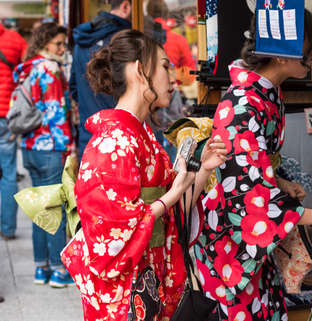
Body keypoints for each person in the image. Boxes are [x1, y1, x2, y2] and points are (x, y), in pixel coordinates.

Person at [193, 11, 312, 321]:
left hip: (249, 246)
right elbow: (248, 196)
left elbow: (250, 167)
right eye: (308, 49)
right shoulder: (242, 104)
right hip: (231, 251)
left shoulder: (264, 93)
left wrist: (277, 181)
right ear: (282, 56)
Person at [61, 29, 227, 321]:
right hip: (126, 294)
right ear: (140, 70)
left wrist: (202, 170)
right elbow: (110, 240)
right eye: (164, 66)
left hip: (150, 282)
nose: (173, 75)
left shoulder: (141, 136)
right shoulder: (113, 144)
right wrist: (173, 194)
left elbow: (171, 216)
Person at [14, 22, 73, 287]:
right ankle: (60, 270)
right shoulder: (49, 69)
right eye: (58, 43)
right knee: (55, 210)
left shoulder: (28, 68)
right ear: (44, 43)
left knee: (39, 209)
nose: (62, 48)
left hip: (29, 146)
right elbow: (55, 112)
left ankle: (42, 268)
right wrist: (67, 145)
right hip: (50, 147)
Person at [70, 0, 132, 158]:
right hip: (121, 137)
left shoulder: (82, 41)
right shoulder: (125, 40)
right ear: (125, 6)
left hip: (89, 135)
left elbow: (74, 88)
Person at [0, 21, 27, 240]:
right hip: (5, 114)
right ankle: (7, 228)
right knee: (8, 173)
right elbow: (24, 74)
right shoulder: (15, 39)